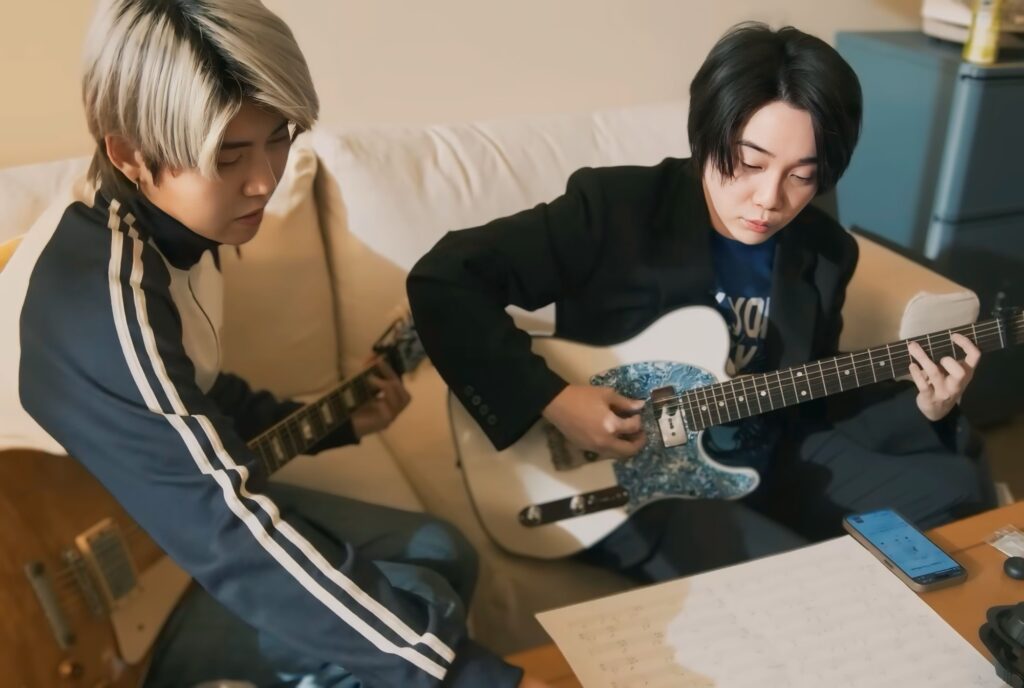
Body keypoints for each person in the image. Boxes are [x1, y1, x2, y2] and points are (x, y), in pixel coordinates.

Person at [0, 1, 541, 686]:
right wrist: (462, 675)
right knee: (421, 612)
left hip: (151, 527)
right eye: (228, 155)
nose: (263, 180)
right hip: (55, 609)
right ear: (129, 153)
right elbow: (229, 529)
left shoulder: (173, 230)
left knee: (443, 551)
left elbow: (187, 393)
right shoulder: (99, 299)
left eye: (278, 137)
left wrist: (335, 422)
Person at [407, 23, 997, 582]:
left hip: (766, 448)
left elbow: (810, 389)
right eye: (750, 163)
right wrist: (555, 400)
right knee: (783, 579)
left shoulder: (824, 251)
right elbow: (445, 279)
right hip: (635, 477)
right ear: (708, 133)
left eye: (802, 175)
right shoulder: (617, 208)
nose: (769, 199)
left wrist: (929, 403)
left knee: (954, 494)